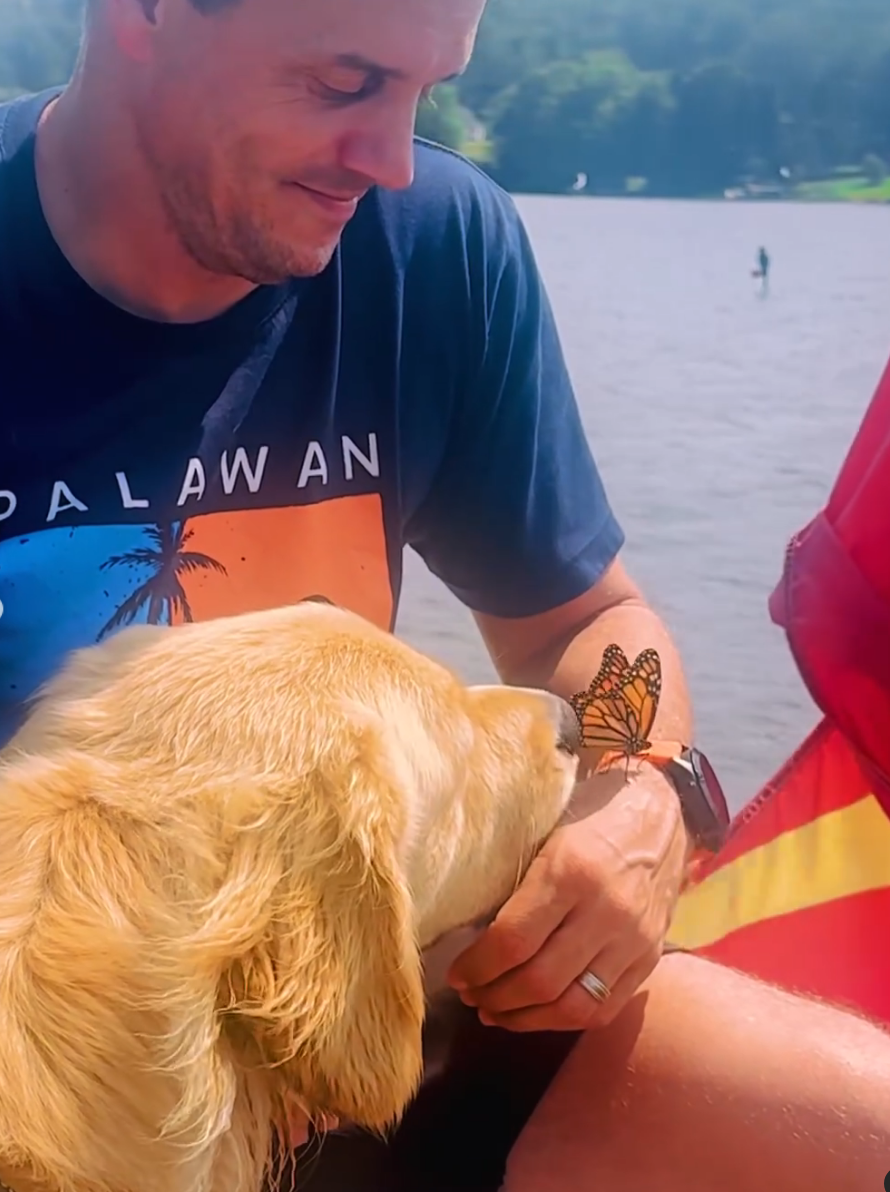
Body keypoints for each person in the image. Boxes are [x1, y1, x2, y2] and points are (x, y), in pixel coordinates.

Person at [0, 0, 887, 1188]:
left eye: (426, 88)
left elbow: (588, 624)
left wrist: (638, 794)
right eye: (344, 80)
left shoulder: (430, 241)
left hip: (371, 1009)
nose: (388, 155)